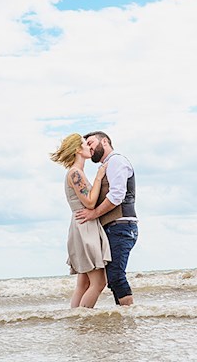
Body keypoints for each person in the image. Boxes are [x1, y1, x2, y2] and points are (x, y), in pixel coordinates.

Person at [75, 131, 138, 306]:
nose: (89, 147)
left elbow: (117, 195)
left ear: (105, 141)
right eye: (86, 144)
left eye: (91, 142)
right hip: (111, 227)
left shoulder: (117, 160)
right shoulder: (105, 166)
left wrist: (93, 214)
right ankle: (123, 317)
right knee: (112, 278)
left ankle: (129, 314)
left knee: (116, 276)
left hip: (122, 226)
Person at [50, 133, 111, 308]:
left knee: (83, 284)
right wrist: (99, 177)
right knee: (98, 283)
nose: (89, 147)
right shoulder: (75, 173)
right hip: (85, 228)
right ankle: (83, 320)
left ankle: (76, 324)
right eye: (86, 144)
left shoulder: (76, 172)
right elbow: (90, 202)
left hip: (82, 226)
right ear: (77, 149)